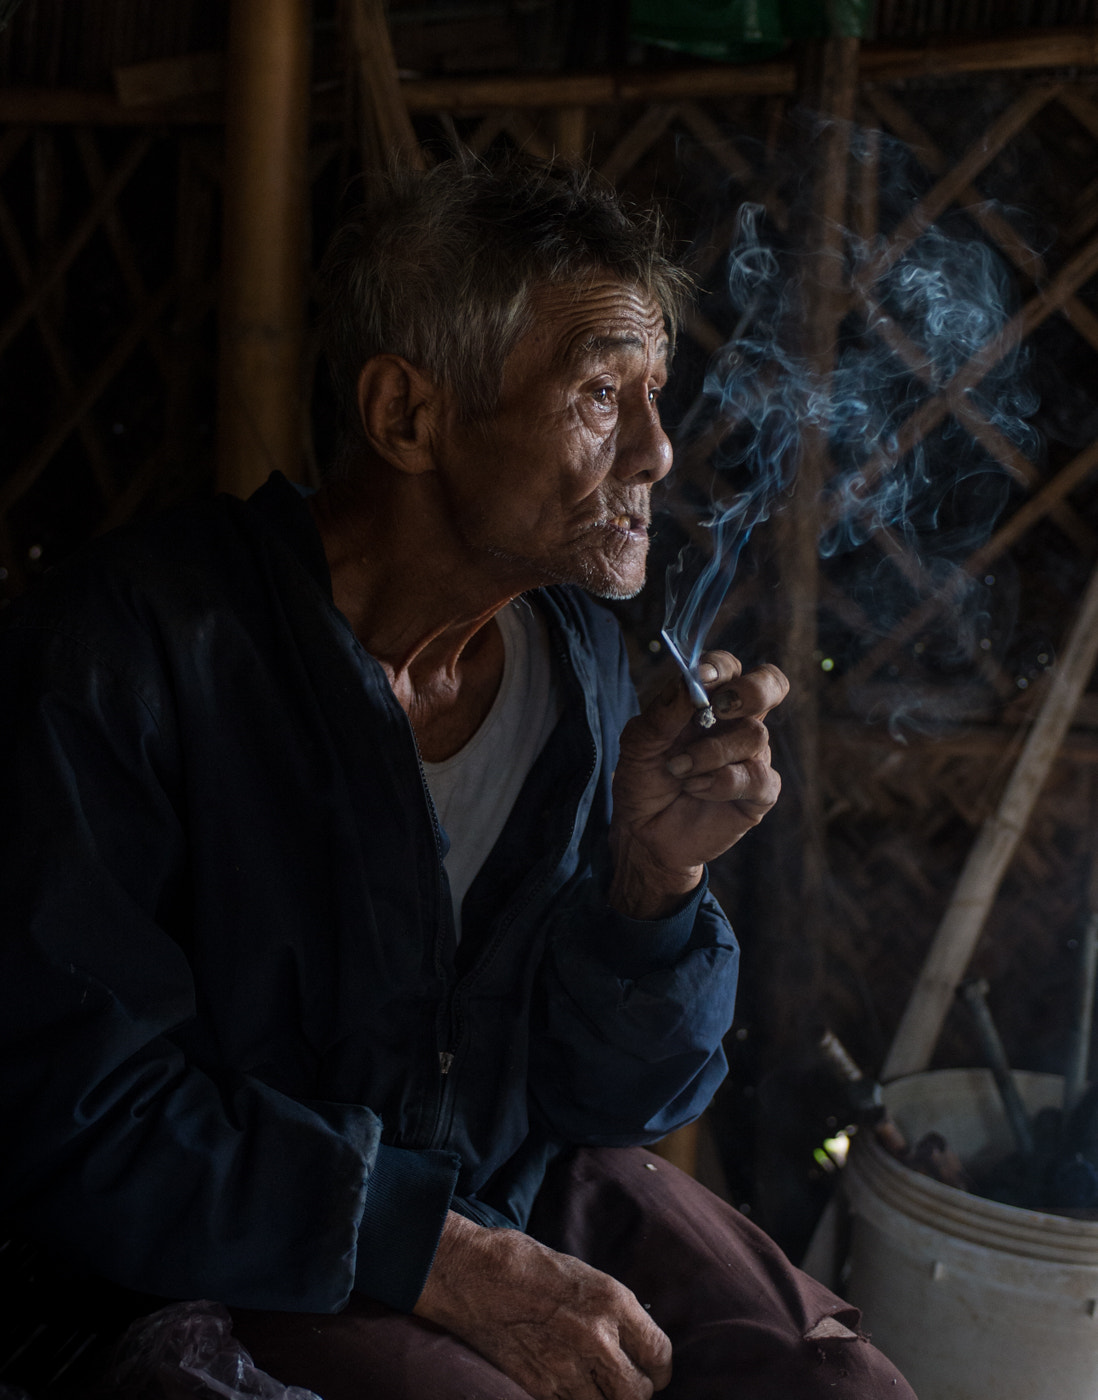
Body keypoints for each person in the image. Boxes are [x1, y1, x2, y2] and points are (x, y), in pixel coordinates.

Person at [0, 154, 914, 1400]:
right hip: (239, 1251)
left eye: (657, 393)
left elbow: (609, 1101)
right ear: (409, 417)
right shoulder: (139, 649)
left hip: (515, 1190)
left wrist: (656, 881)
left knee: (837, 1386)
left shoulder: (581, 662)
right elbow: (80, 1114)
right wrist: (425, 1246)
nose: (655, 449)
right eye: (600, 392)